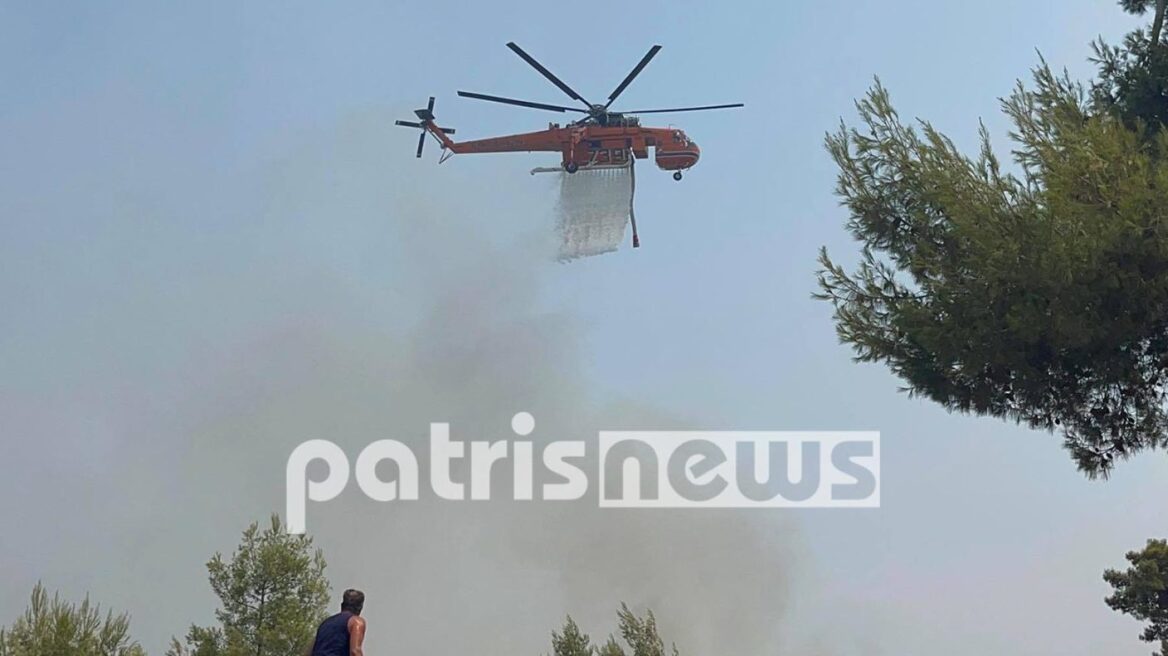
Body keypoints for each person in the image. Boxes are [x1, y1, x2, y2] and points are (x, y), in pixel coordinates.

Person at [309, 589, 367, 656]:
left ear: (342, 605)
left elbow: (308, 651)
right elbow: (355, 651)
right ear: (360, 608)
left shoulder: (325, 624)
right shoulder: (356, 622)